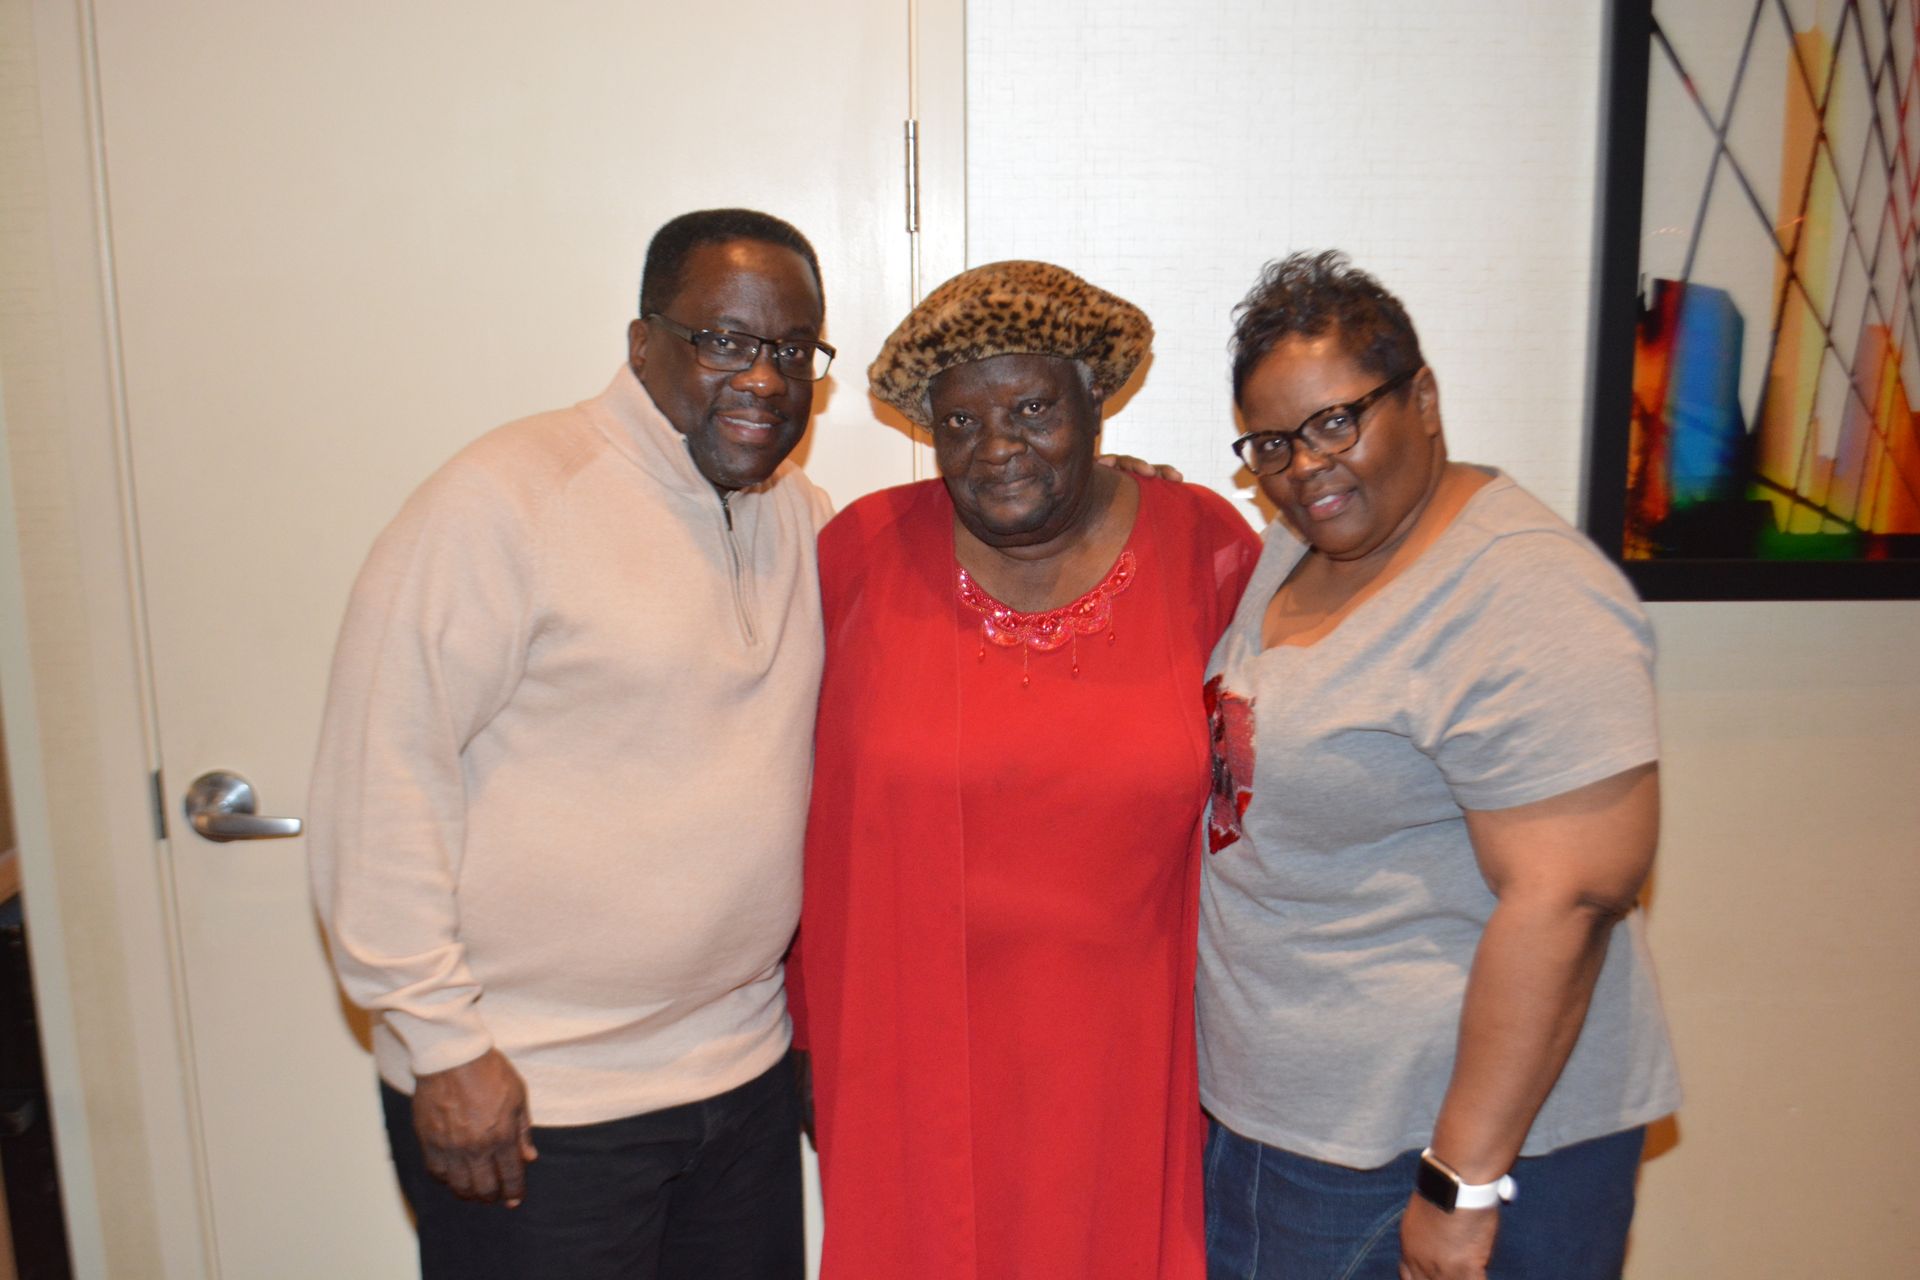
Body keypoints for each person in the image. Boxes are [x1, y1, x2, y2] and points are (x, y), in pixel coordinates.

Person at [307, 207, 835, 1279]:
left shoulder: (804, 519)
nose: (764, 378)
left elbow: (952, 577)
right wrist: (442, 1045)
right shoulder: (504, 501)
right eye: (725, 340)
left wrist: (1109, 505)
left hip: (740, 1076)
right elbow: (381, 778)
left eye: (792, 351)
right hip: (534, 1094)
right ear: (642, 343)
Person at [1197, 251, 1681, 1280]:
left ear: (1422, 398)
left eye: (1337, 421)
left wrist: (1460, 1185)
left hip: (1431, 1148)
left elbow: (1570, 900)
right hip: (1295, 1132)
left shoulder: (1526, 591)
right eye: (1273, 443)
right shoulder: (1304, 545)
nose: (1306, 466)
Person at [793, 260, 1262, 1278]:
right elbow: (795, 803)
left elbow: (1268, 799)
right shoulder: (859, 553)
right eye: (960, 422)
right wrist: (802, 1032)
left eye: (1033, 409)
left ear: (1096, 401)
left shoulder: (1207, 549)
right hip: (903, 1039)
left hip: (1132, 1049)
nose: (996, 447)